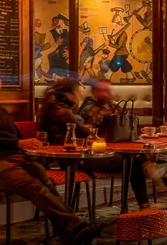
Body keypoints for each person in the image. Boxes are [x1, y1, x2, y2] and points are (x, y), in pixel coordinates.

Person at [86, 83, 167, 216]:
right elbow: (94, 131)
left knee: (160, 153)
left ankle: (163, 177)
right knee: (140, 160)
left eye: (108, 90)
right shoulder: (90, 108)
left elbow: (128, 118)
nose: (107, 93)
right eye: (103, 90)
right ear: (94, 91)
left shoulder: (111, 105)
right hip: (104, 151)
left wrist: (158, 124)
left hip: (123, 145)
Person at [0, 105, 106, 245]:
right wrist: (18, 144)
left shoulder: (1, 110)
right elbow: (14, 141)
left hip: (15, 156)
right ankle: (75, 228)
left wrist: (27, 148)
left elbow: (14, 135)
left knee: (46, 182)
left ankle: (70, 234)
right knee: (34, 187)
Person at [39, 78, 153, 210]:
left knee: (133, 159)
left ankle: (144, 201)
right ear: (68, 94)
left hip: (78, 155)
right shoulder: (61, 111)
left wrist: (85, 129)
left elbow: (81, 130)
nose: (79, 96)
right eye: (77, 92)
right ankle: (144, 199)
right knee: (133, 161)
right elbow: (82, 131)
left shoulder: (59, 108)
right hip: (73, 159)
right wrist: (86, 129)